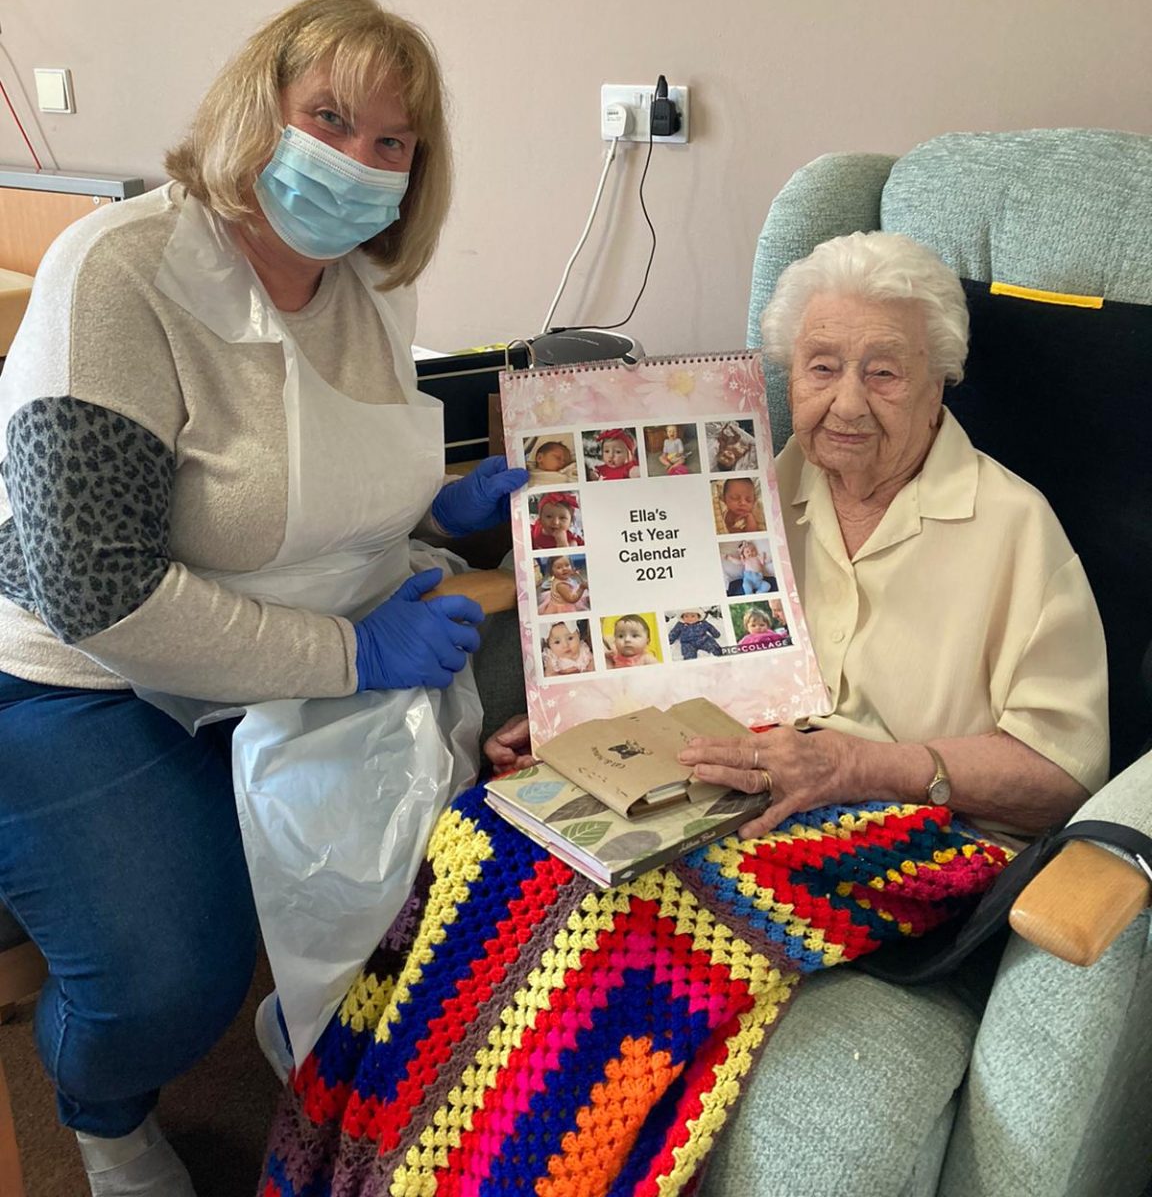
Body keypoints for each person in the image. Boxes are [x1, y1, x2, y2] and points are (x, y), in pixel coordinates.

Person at [258, 231, 1111, 1197]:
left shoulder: (1012, 525)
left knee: (627, 916)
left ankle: (510, 1164)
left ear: (939, 381)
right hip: (736, 787)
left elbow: (1061, 776)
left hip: (916, 832)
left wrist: (854, 766)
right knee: (481, 833)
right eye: (821, 367)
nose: (845, 402)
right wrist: (586, 718)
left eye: (884, 372)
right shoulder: (744, 489)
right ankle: (368, 1152)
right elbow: (682, 655)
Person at [0, 0, 528, 1197]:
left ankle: (329, 1048)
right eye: (328, 118)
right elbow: (97, 591)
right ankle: (100, 1113)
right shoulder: (122, 272)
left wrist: (439, 511)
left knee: (456, 855)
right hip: (76, 672)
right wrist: (352, 655)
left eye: (391, 142)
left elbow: (306, 482)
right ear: (258, 108)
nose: (357, 161)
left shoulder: (369, 284)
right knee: (166, 975)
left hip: (289, 634)